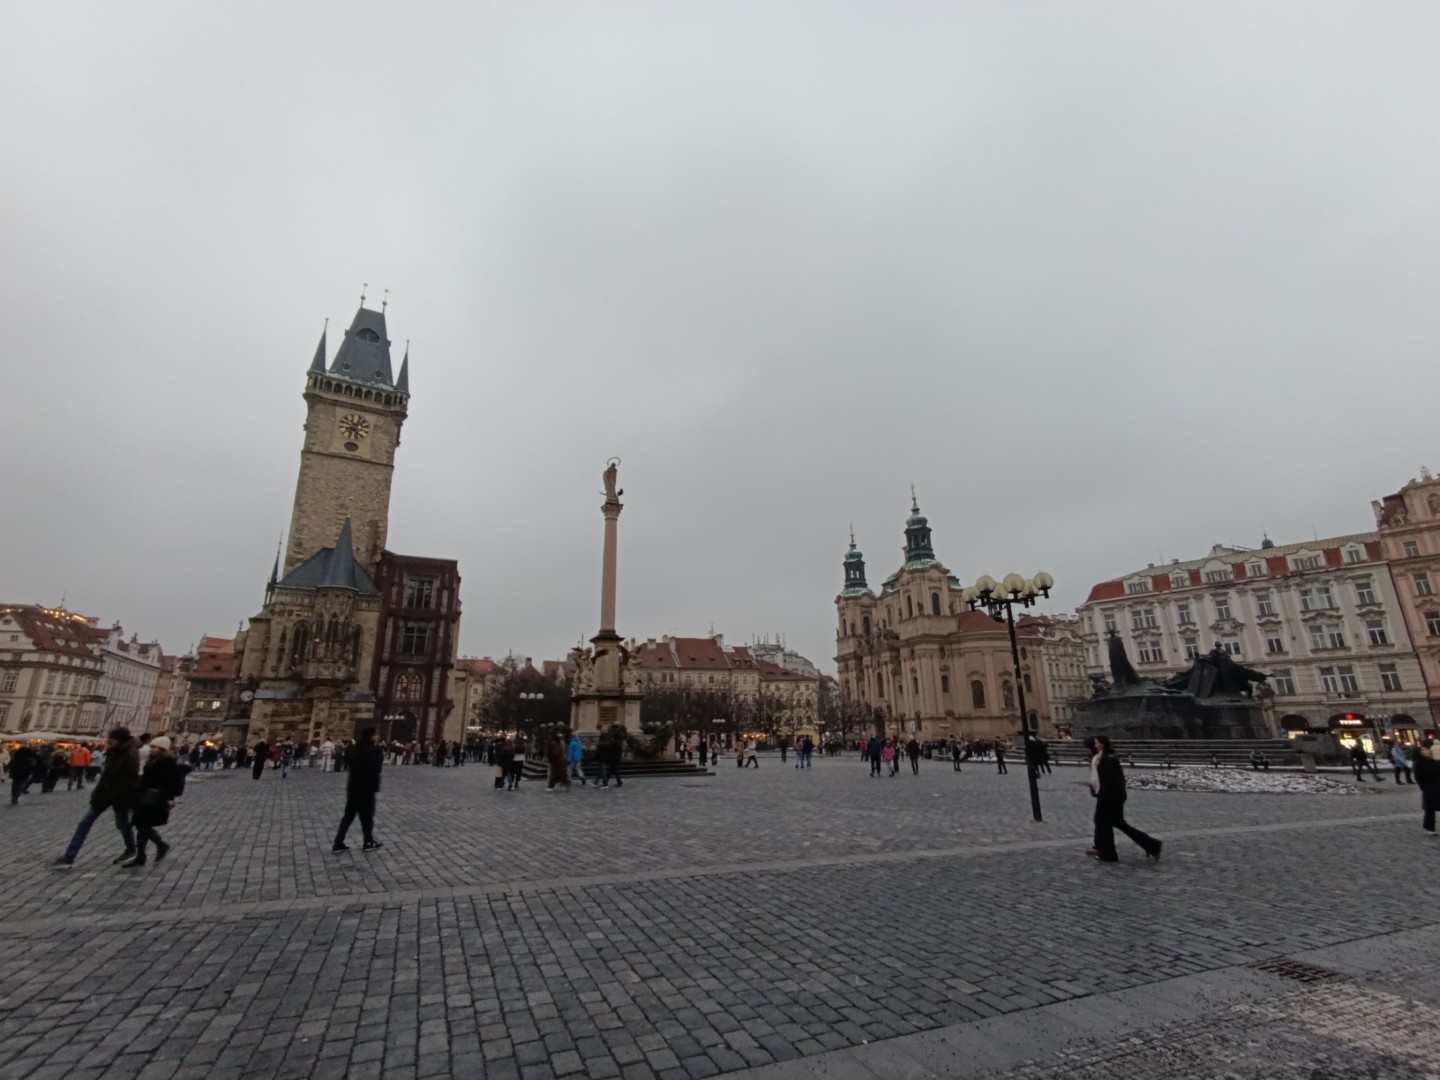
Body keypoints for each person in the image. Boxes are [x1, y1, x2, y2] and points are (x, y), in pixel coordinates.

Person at [56, 727, 139, 867]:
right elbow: (107, 774)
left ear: (118, 739)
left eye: (111, 738)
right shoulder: (113, 751)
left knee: (122, 824)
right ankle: (70, 854)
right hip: (103, 794)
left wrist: (117, 792)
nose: (109, 741)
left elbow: (130, 777)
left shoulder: (130, 753)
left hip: (119, 795)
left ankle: (131, 849)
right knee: (85, 822)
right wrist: (99, 792)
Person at [1086, 735, 1161, 864]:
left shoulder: (1108, 759)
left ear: (1103, 744)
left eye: (1097, 743)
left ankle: (1108, 854)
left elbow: (1112, 781)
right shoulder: (1102, 758)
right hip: (1111, 795)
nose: (1095, 745)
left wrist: (1103, 795)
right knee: (1116, 823)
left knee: (1103, 823)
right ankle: (1152, 845)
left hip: (1110, 797)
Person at [122, 736, 186, 867]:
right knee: (142, 827)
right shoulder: (153, 760)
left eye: (154, 747)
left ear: (163, 749)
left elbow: (171, 784)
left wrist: (169, 798)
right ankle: (141, 856)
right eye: (151, 747)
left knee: (142, 826)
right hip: (145, 797)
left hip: (156, 799)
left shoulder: (169, 764)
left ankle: (160, 846)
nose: (151, 749)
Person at [332, 727, 384, 852]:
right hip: (366, 789)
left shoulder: (356, 748)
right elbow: (374, 770)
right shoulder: (372, 750)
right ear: (372, 736)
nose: (378, 736)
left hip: (353, 788)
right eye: (376, 734)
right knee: (367, 818)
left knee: (348, 817)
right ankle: (368, 842)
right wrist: (375, 787)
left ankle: (338, 843)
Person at [1413, 739, 1438, 835]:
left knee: (1430, 808)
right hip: (1429, 787)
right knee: (1430, 809)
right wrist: (1424, 787)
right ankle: (1429, 828)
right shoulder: (1419, 761)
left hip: (1436, 785)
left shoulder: (1435, 759)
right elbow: (1418, 776)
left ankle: (1429, 828)